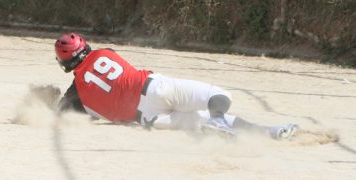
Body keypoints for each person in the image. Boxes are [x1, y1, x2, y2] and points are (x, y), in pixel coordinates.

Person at [55, 33, 298, 139]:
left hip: (147, 117)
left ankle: (267, 132)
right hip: (153, 88)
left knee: (202, 120)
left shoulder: (76, 95)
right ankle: (252, 127)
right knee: (219, 96)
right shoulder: (104, 53)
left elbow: (63, 113)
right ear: (84, 47)